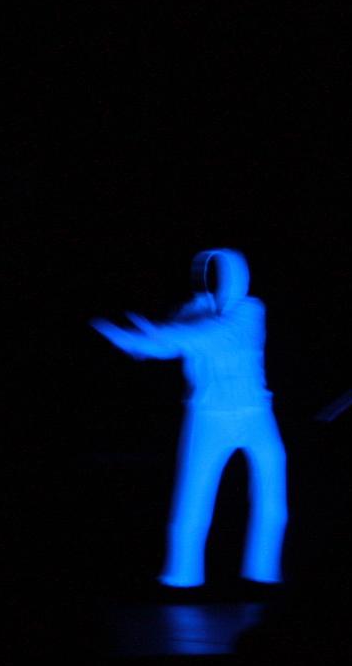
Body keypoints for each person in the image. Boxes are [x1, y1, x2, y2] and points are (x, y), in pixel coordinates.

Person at [91, 248, 287, 588]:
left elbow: (212, 335)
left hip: (256, 416)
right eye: (214, 274)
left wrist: (160, 333)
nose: (220, 281)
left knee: (272, 500)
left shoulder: (251, 310)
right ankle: (182, 576)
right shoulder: (193, 311)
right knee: (193, 499)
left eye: (225, 274)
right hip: (208, 418)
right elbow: (170, 346)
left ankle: (264, 573)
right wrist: (136, 341)